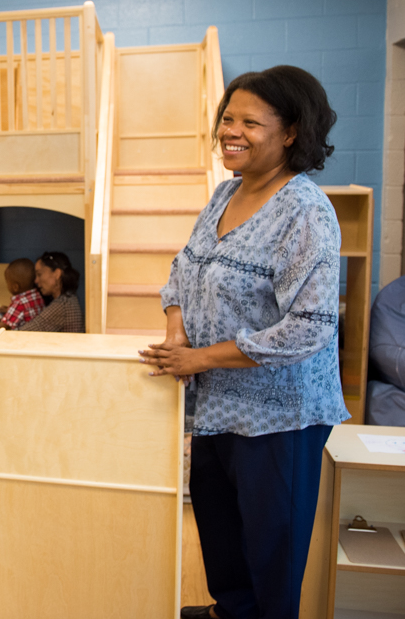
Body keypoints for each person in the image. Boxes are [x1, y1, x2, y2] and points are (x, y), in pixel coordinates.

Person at [140, 66, 348, 619]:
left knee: (271, 554)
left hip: (279, 418)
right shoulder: (223, 193)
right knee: (222, 538)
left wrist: (198, 357)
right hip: (215, 408)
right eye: (227, 118)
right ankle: (231, 611)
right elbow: (184, 268)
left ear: (291, 133)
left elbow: (310, 326)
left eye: (250, 122)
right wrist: (175, 329)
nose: (231, 131)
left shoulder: (306, 212)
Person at [0, 252, 84, 421]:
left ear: (56, 274)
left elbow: (17, 336)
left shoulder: (61, 306)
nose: (36, 281)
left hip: (26, 369)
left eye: (40, 274)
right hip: (39, 365)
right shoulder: (66, 300)